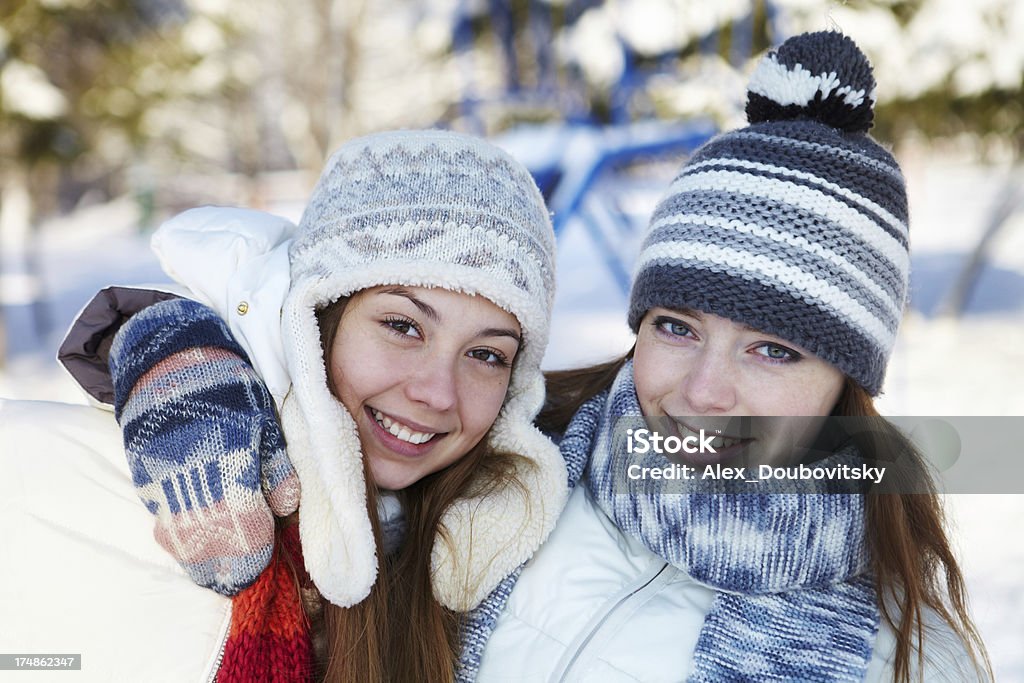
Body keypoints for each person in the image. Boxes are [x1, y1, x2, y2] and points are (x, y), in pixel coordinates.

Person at [464, 31, 992, 682]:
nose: (704, 393)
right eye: (678, 327)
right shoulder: (497, 483)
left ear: (845, 383)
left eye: (773, 349)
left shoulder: (906, 662)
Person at [1, 130, 567, 682]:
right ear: (314, 320)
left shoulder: (503, 551)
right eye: (402, 326)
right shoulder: (133, 468)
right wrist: (156, 338)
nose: (438, 393)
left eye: (488, 355)